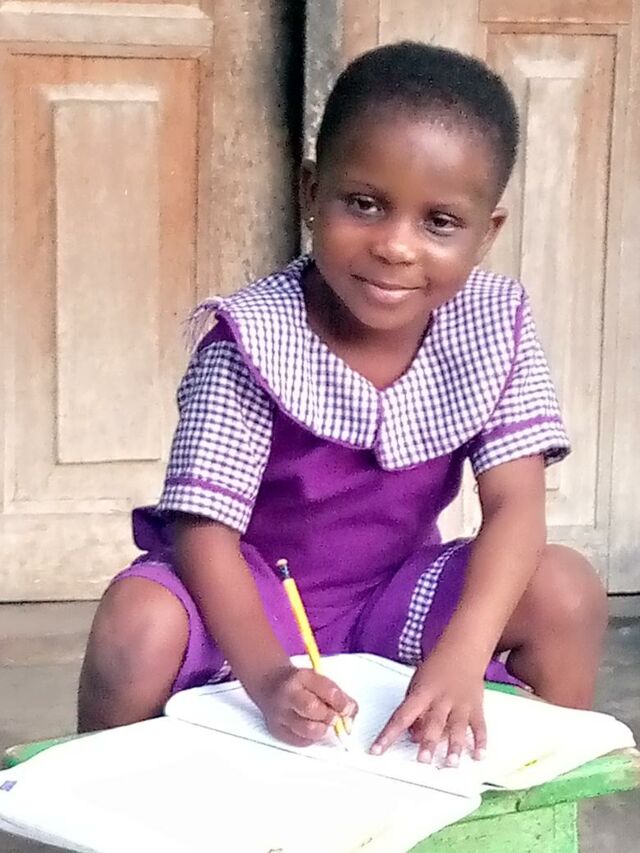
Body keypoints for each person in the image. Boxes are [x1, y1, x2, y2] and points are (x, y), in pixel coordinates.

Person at [78, 41, 608, 765]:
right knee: (137, 621)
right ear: (310, 193)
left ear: (487, 234)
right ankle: (90, 801)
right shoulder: (252, 335)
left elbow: (516, 506)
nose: (395, 246)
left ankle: (531, 798)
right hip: (252, 602)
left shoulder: (492, 324)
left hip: (396, 599)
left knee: (565, 590)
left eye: (439, 222)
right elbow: (205, 532)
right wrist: (268, 676)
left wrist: (461, 652)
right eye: (364, 204)